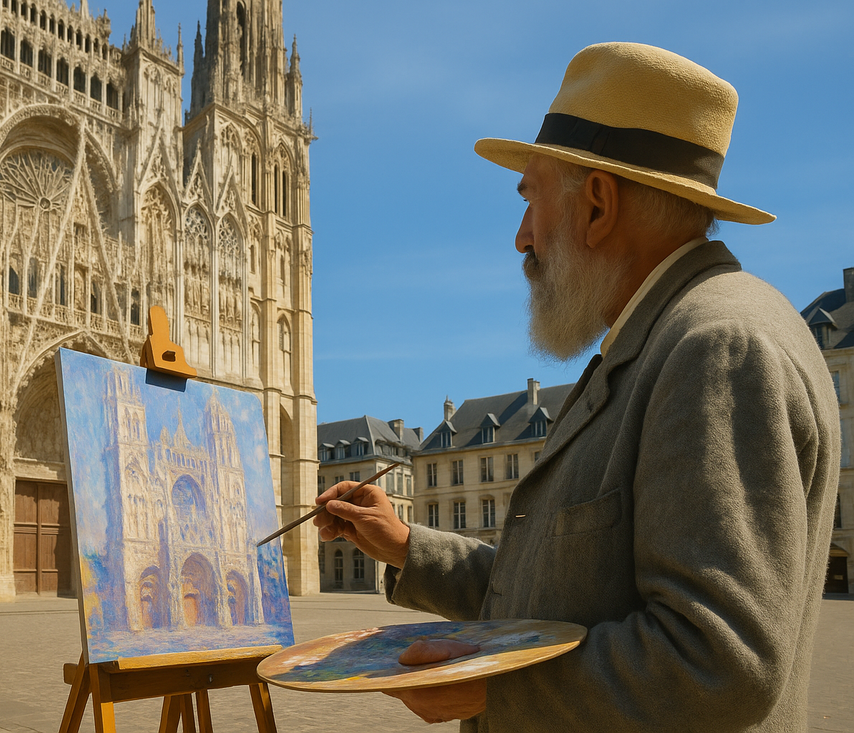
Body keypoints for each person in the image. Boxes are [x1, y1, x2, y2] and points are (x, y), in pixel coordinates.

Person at [315, 42, 840, 732]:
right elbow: (557, 598)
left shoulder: (715, 347)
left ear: (597, 203)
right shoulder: (665, 339)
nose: (521, 236)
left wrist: (492, 688)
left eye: (530, 200)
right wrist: (408, 544)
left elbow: (716, 662)